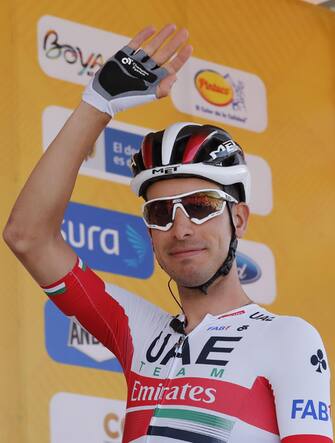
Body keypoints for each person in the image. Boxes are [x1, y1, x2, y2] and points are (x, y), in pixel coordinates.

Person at [3, 24, 333, 443]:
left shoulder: (287, 338)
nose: (180, 228)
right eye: (160, 212)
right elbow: (27, 236)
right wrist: (98, 102)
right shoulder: (140, 332)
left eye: (200, 206)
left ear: (241, 219)